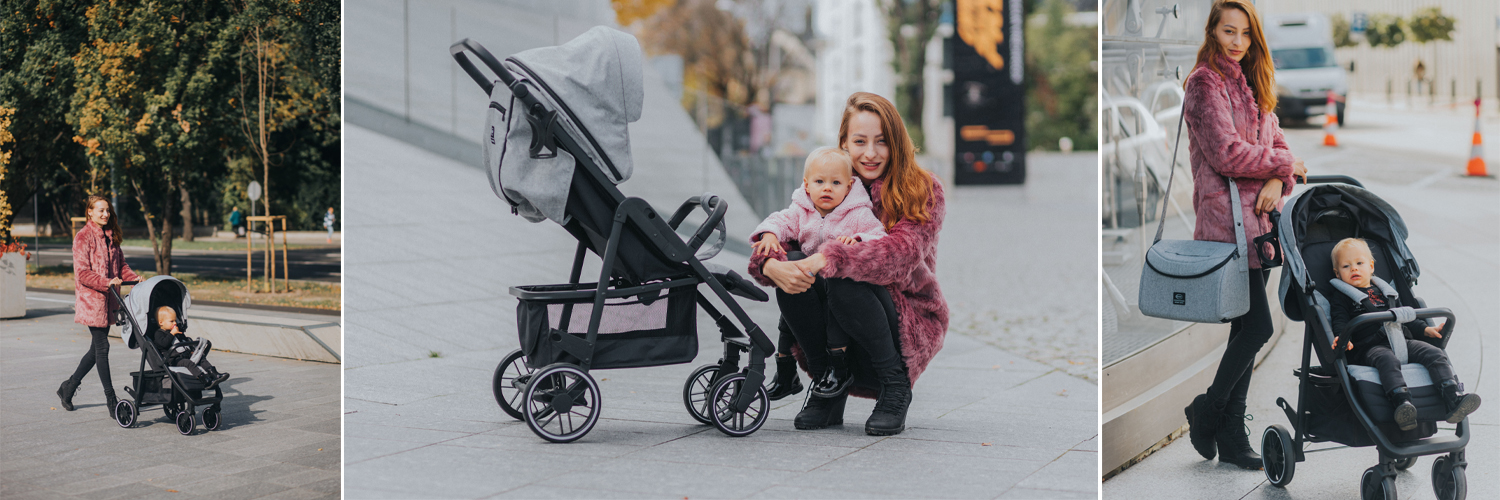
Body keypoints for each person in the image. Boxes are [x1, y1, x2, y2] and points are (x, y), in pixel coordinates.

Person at [749, 92, 948, 436]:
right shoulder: (830, 181)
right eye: (859, 141)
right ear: (844, 142)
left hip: (902, 322)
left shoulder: (921, 188)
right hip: (836, 327)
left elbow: (899, 256)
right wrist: (770, 264)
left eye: (881, 142)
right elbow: (791, 226)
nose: (870, 153)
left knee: (844, 273)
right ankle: (829, 382)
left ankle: (895, 386)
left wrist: (832, 257)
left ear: (896, 144)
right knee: (796, 260)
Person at [1180, 0, 1309, 470]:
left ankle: (1231, 435)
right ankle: (1208, 412)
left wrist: (1279, 178)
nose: (1236, 42)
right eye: (1227, 32)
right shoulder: (1203, 83)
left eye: (1244, 33)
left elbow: (1278, 146)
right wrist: (1281, 167)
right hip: (1225, 225)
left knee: (1244, 327)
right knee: (1258, 327)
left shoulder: (1253, 83)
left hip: (1258, 225)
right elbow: (1226, 154)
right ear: (1212, 32)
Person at [751, 147, 886, 399]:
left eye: (836, 183)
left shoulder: (857, 213)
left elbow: (879, 236)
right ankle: (785, 369)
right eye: (820, 182)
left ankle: (837, 367)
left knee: (837, 292)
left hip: (839, 290)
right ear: (807, 185)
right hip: (808, 284)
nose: (827, 188)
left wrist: (856, 239)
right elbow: (779, 221)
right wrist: (769, 234)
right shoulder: (801, 210)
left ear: (848, 187)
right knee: (791, 278)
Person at [1327, 238, 1480, 430]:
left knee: (1434, 353)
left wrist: (1425, 329)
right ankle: (1402, 403)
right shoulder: (1342, 296)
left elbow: (1404, 316)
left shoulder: (1387, 292)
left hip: (1401, 340)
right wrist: (1343, 337)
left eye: (1359, 263)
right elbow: (1339, 319)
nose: (1354, 269)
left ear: (1371, 266)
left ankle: (1452, 397)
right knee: (1387, 361)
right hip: (1370, 347)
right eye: (1346, 266)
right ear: (1337, 273)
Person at [57, 195, 141, 419]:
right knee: (102, 348)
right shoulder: (83, 237)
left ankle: (68, 387)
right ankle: (111, 399)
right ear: (90, 213)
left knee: (95, 351)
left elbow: (121, 266)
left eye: (107, 211)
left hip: (109, 300)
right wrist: (106, 282)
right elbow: (82, 273)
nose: (105, 214)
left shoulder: (111, 236)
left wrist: (135, 279)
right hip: (92, 301)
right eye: (101, 211)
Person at [152, 306, 230, 389]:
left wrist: (191, 350)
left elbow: (184, 342)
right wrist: (172, 334)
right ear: (161, 322)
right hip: (172, 359)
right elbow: (164, 344)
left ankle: (214, 374)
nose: (175, 323)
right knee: (187, 363)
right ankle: (204, 379)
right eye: (171, 321)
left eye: (175, 320)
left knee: (201, 358)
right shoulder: (159, 334)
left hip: (184, 354)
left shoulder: (177, 331)